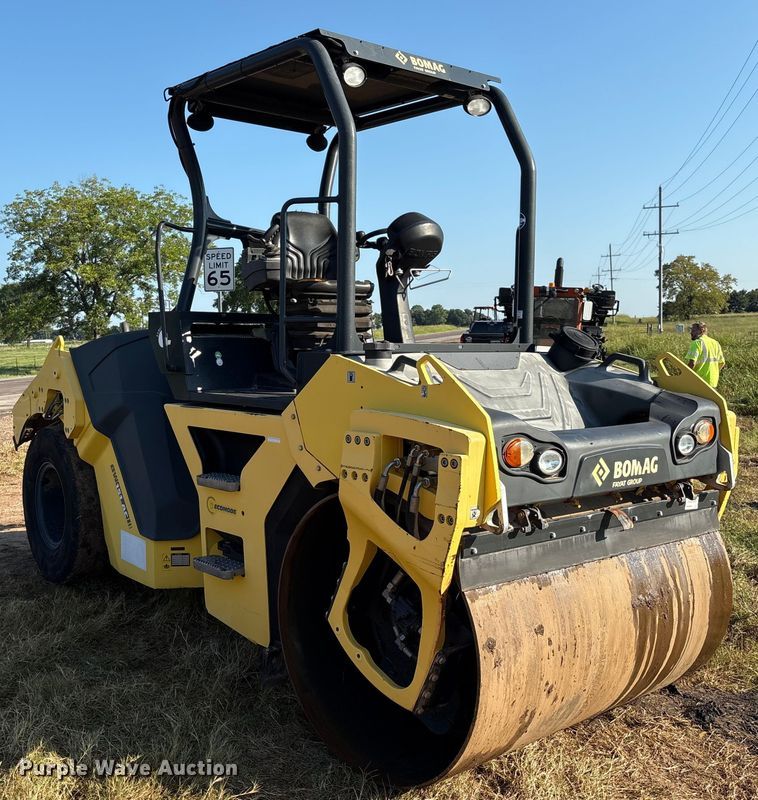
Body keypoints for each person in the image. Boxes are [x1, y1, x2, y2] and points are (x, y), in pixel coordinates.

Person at [686, 322, 725, 388]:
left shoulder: (697, 343)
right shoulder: (715, 343)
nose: (691, 332)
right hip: (713, 382)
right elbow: (722, 363)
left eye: (693, 330)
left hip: (699, 382)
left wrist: (685, 376)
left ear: (701, 330)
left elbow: (692, 364)